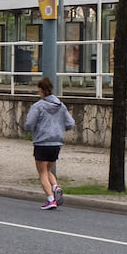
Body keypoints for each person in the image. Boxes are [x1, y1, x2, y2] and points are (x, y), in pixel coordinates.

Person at [24, 76, 75, 210]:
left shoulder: (38, 106)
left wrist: (30, 129)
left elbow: (29, 123)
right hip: (56, 143)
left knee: (42, 173)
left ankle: (51, 199)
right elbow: (70, 123)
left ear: (40, 90)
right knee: (48, 170)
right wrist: (60, 128)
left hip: (42, 142)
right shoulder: (61, 105)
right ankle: (55, 186)